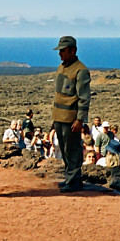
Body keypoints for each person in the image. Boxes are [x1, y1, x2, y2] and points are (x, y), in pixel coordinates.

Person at [51, 36, 91, 193]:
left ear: (72, 51)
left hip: (70, 119)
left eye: (63, 50)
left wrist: (80, 119)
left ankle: (74, 181)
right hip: (59, 116)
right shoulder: (62, 67)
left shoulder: (80, 71)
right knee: (64, 148)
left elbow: (84, 98)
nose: (60, 54)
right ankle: (70, 178)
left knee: (72, 149)